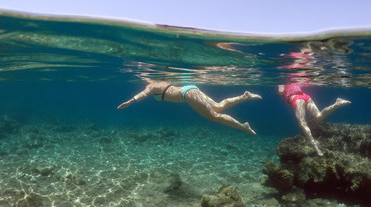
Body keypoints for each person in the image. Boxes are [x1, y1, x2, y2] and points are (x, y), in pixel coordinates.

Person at [117, 80, 262, 135]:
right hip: (190, 89)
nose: (143, 80)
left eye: (144, 78)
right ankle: (245, 96)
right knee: (218, 106)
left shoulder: (151, 85)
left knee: (213, 116)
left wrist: (131, 101)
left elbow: (144, 93)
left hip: (187, 94)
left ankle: (243, 127)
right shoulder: (162, 80)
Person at [278, 83, 351, 156]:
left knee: (302, 123)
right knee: (319, 116)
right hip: (305, 96)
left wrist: (281, 89)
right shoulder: (295, 80)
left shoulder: (283, 81)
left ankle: (315, 147)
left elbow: (281, 91)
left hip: (297, 99)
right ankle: (336, 104)